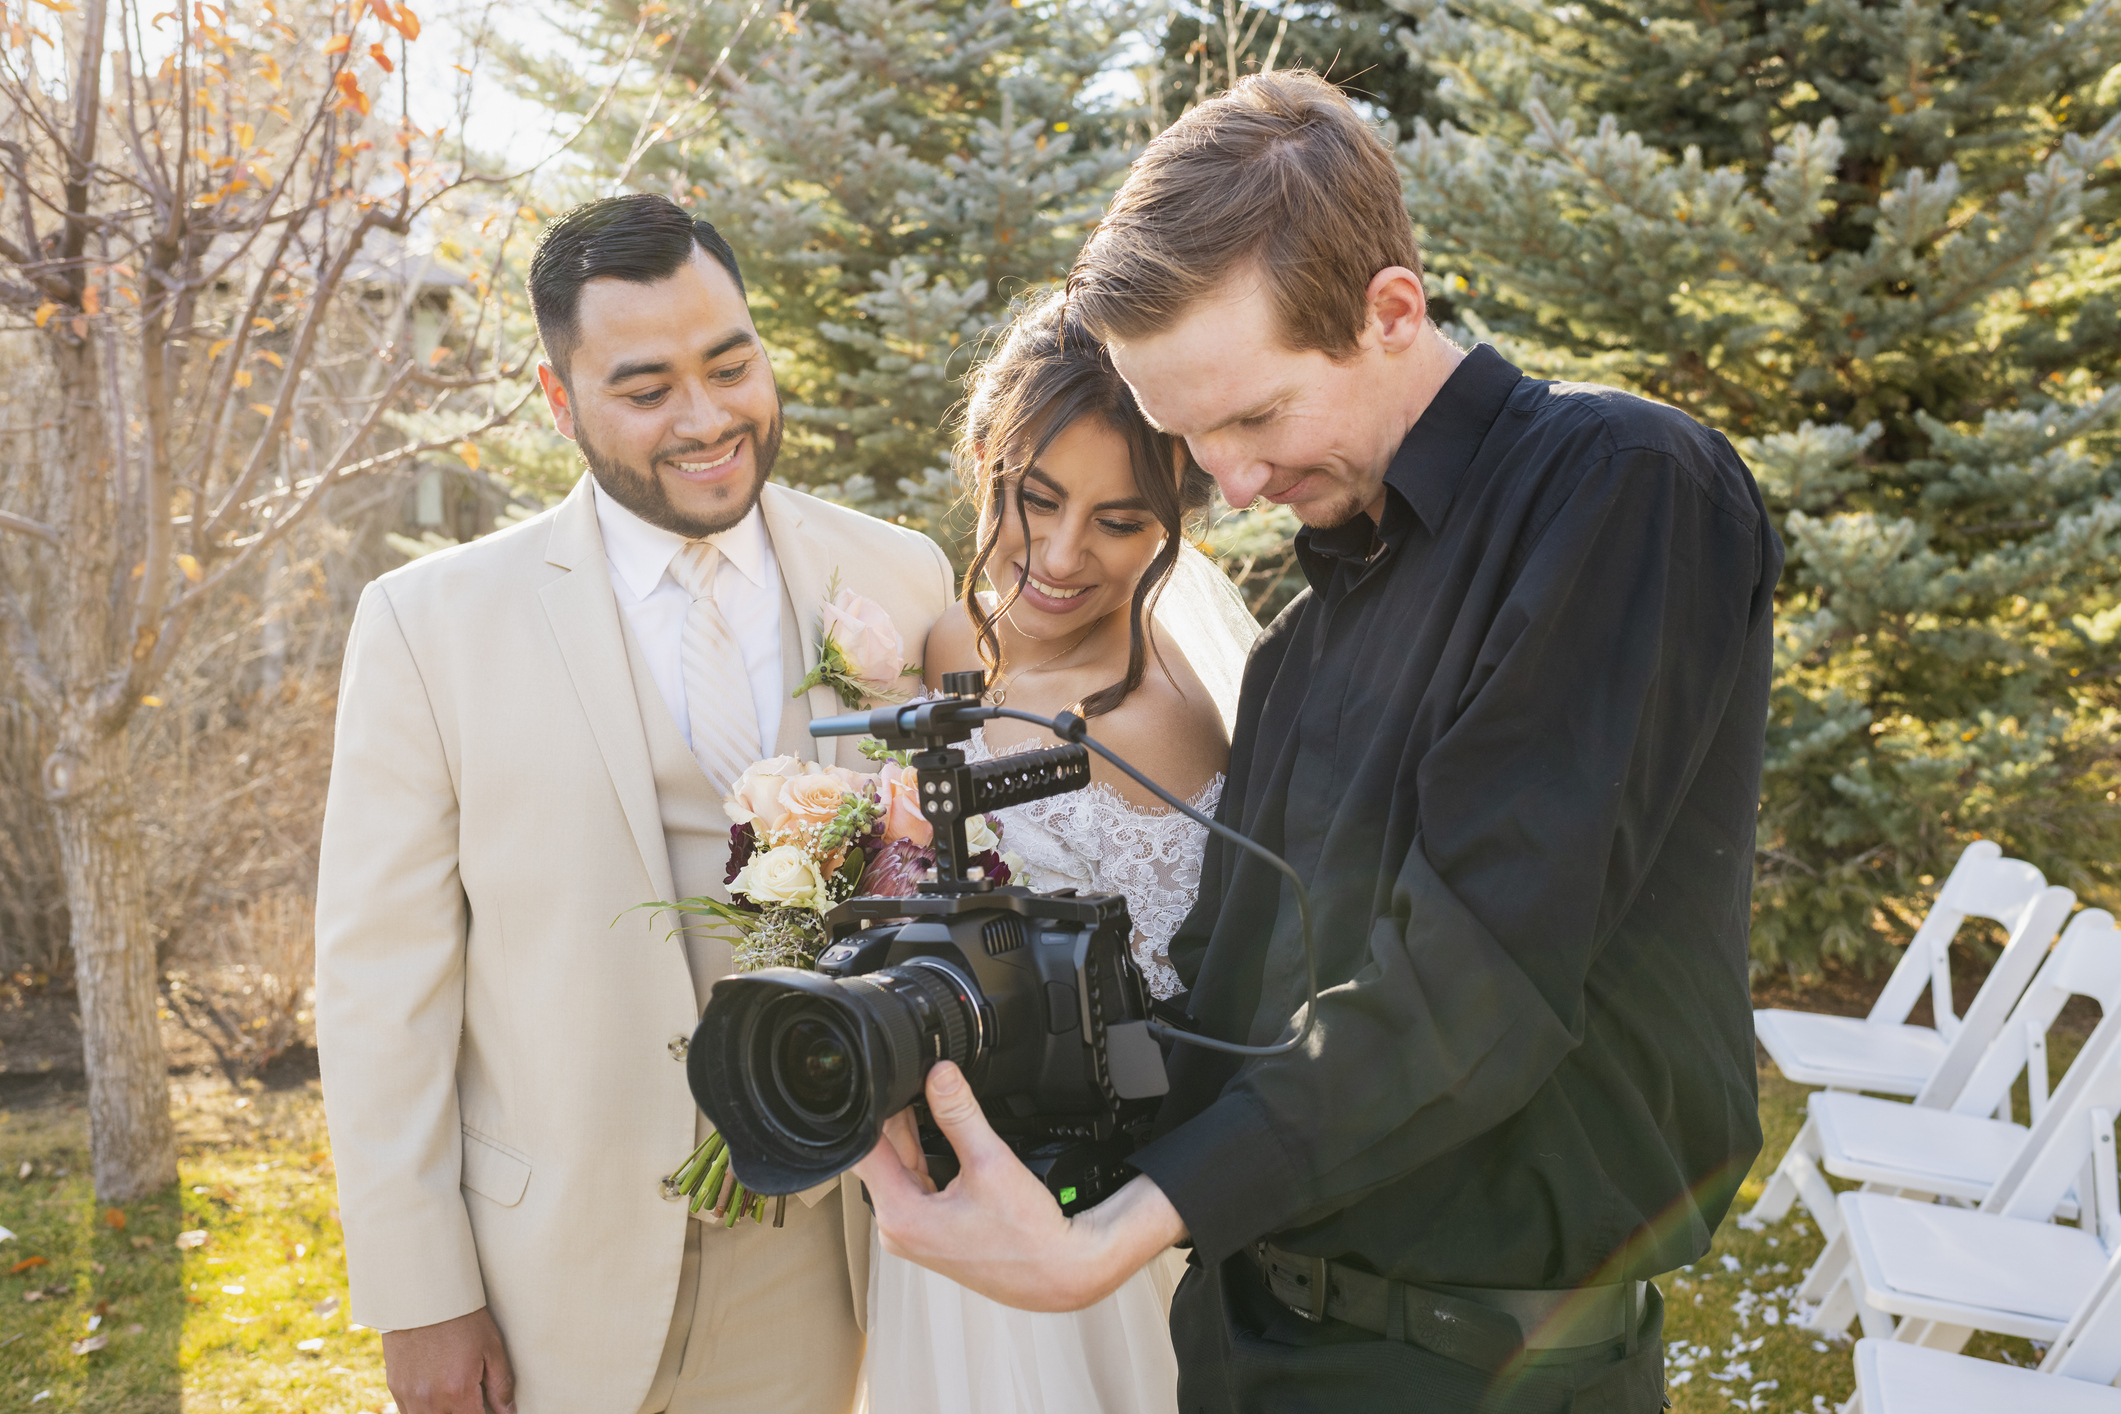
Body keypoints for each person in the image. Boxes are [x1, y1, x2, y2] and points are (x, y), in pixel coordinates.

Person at [853, 70, 1783, 1414]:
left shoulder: (1621, 489)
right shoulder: (1306, 639)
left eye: (1254, 418)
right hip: (1248, 1343)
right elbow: (1236, 1012)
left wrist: (1114, 1237)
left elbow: (1478, 976)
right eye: (1190, 439)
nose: (1228, 484)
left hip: (1477, 1368)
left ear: (1390, 309)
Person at [315, 194, 953, 1414]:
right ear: (562, 405)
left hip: (839, 1258)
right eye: (647, 388)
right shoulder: (428, 626)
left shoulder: (897, 577)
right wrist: (420, 1293)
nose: (708, 419)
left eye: (731, 364)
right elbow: (377, 987)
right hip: (552, 1275)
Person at [860, 290, 1258, 1414]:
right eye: (1035, 499)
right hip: (942, 1202)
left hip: (1081, 1215)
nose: (1062, 554)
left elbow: (1195, 1008)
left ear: (1177, 522)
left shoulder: (1159, 714)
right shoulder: (949, 642)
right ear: (987, 458)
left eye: (1121, 520)